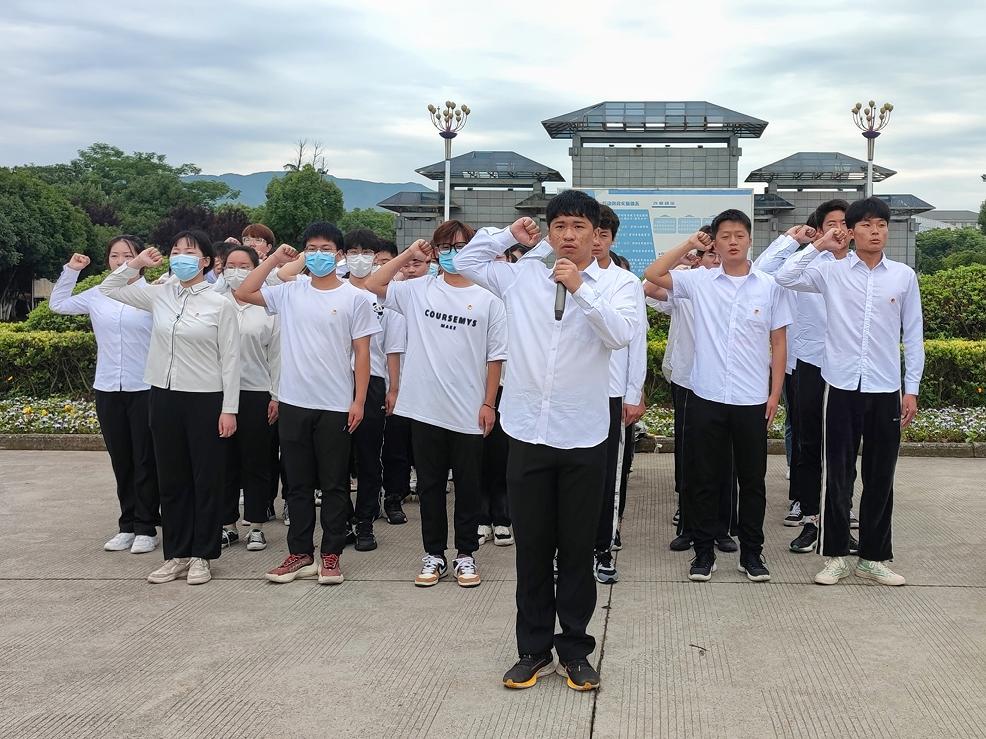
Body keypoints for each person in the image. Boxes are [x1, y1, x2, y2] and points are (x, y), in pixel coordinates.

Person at [455, 191, 638, 692]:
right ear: (550, 232)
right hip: (527, 432)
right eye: (560, 226)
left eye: (579, 226)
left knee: (576, 549)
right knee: (533, 549)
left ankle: (575, 650)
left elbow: (620, 335)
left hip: (583, 435)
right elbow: (465, 261)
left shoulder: (619, 284)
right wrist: (509, 236)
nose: (568, 236)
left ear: (596, 233)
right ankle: (532, 650)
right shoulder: (520, 277)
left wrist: (580, 288)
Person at [775, 197, 924, 586]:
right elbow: (785, 277)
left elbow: (914, 334)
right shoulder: (831, 271)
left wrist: (911, 389)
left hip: (885, 386)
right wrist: (819, 245)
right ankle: (836, 555)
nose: (875, 232)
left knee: (881, 475)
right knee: (837, 473)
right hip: (840, 385)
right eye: (867, 225)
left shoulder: (903, 276)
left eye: (881, 225)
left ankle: (874, 557)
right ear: (852, 231)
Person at [644, 209, 793, 584]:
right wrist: (689, 244)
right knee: (704, 479)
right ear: (716, 242)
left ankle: (752, 553)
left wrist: (775, 393)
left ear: (749, 240)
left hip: (751, 399)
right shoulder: (700, 281)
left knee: (752, 481)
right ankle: (704, 553)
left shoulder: (769, 286)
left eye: (739, 235)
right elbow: (653, 274)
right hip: (706, 395)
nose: (732, 241)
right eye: (724, 236)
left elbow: (778, 343)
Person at [235, 224, 379, 586]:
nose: (318, 255)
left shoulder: (355, 298)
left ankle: (331, 554)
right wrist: (273, 260)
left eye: (326, 249)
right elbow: (244, 291)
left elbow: (362, 353)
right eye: (311, 249)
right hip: (294, 402)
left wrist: (359, 401)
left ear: (339, 255)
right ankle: (300, 554)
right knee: (297, 484)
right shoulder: (291, 291)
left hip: (335, 404)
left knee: (334, 484)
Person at [366, 221, 507, 589]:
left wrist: (489, 403)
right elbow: (374, 284)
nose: (452, 253)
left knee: (468, 486)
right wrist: (409, 255)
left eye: (461, 246)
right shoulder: (418, 290)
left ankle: (465, 554)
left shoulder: (489, 299)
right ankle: (434, 554)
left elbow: (495, 357)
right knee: (430, 486)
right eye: (445, 246)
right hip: (425, 408)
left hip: (468, 410)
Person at [100, 230, 241, 586]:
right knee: (172, 478)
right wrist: (135, 263)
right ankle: (176, 554)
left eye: (189, 252)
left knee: (205, 479)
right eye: (175, 251)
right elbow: (109, 288)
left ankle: (202, 555)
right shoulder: (160, 294)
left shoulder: (220, 303)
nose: (180, 257)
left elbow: (231, 360)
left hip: (206, 398)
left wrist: (229, 408)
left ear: (206, 261)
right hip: (163, 396)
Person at [753, 204, 859, 554]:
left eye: (844, 223)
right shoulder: (809, 264)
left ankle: (840, 516)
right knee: (808, 442)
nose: (838, 230)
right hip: (809, 364)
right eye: (831, 224)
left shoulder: (863, 267)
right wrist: (804, 242)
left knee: (844, 448)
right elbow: (771, 273)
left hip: (848, 368)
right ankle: (811, 516)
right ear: (820, 229)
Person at [49, 237, 160, 554]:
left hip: (145, 387)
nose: (120, 261)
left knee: (145, 459)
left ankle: (146, 527)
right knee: (121, 459)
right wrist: (72, 270)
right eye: (114, 256)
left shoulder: (154, 294)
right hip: (108, 387)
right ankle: (127, 525)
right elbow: (58, 304)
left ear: (141, 259)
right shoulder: (99, 294)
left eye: (128, 255)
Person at [646, 234, 739, 555]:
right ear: (700, 258)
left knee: (725, 459)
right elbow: (648, 287)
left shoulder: (737, 286)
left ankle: (723, 528)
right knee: (690, 457)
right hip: (687, 381)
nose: (715, 260)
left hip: (726, 384)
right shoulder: (688, 284)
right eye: (709, 254)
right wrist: (682, 258)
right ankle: (688, 525)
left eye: (719, 254)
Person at [587, 206, 647, 585]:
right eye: (590, 232)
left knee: (608, 476)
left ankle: (602, 548)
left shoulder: (625, 282)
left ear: (611, 238)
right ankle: (567, 548)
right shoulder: (555, 276)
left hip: (610, 393)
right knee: (571, 477)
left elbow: (635, 340)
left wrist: (633, 392)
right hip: (570, 394)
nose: (595, 242)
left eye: (603, 235)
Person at [342, 229, 405, 548]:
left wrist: (393, 388)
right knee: (337, 457)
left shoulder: (385, 296)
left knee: (369, 455)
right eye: (353, 252)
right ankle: (341, 520)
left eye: (367, 253)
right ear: (343, 256)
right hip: (336, 381)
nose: (360, 259)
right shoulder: (335, 290)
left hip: (375, 381)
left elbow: (392, 347)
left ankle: (365, 521)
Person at [216, 245, 280, 552]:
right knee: (223, 462)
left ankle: (256, 524)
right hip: (217, 394)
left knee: (256, 461)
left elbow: (277, 355)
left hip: (256, 393)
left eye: (244, 266)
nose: (236, 271)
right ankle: (226, 524)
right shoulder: (215, 303)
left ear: (257, 269)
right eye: (231, 265)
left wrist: (276, 395)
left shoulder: (268, 308)